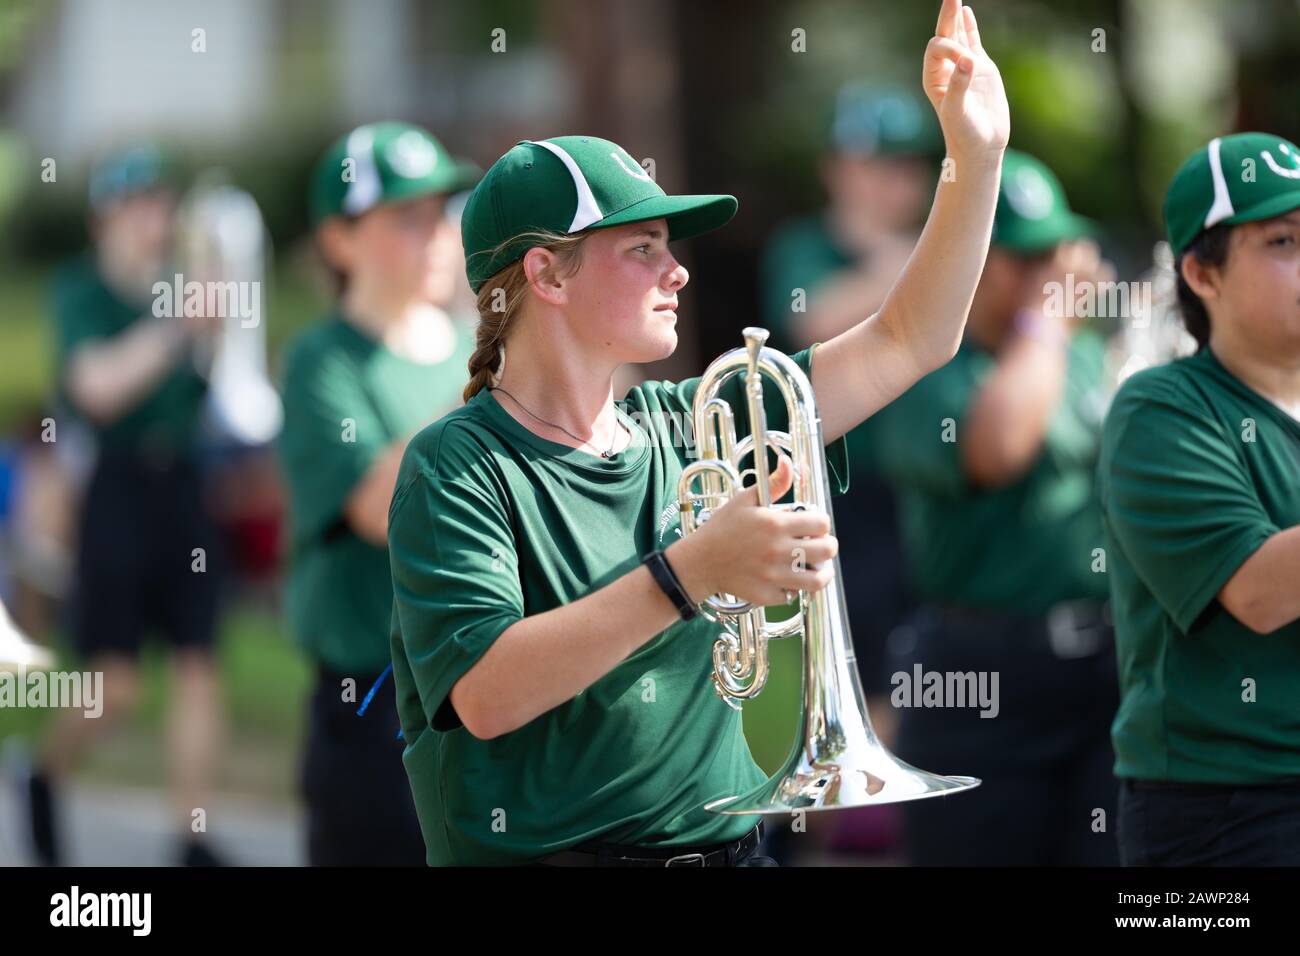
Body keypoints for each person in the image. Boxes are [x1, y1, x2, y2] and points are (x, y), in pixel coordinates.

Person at [387, 0, 1010, 866]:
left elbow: (911, 338)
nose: (677, 268)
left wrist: (975, 162)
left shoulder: (688, 417)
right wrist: (689, 573)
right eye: (641, 246)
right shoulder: (458, 465)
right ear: (545, 274)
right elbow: (488, 693)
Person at [871, 149, 1120, 866]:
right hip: (976, 678)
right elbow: (999, 447)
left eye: (1055, 254)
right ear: (969, 259)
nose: (1049, 275)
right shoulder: (921, 361)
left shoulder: (1074, 346)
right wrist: (1044, 325)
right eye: (1024, 258)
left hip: (1099, 665)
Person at [277, 122, 479, 866]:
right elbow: (376, 508)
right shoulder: (320, 362)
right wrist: (497, 385)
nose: (436, 235)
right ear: (340, 241)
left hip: (483, 680)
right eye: (406, 218)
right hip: (372, 698)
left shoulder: (470, 345)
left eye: (442, 213)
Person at [1099, 131, 1300, 866]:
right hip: (1231, 812)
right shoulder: (1160, 410)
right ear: (1202, 275)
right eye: (1282, 241)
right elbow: (1262, 591)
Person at [29, 144, 228, 866]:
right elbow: (96, 387)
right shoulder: (82, 292)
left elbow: (218, 399)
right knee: (114, 686)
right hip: (114, 490)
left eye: (159, 203)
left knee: (198, 661)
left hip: (183, 487)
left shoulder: (180, 287)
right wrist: (180, 327)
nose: (153, 218)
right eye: (136, 204)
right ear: (102, 220)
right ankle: (44, 773)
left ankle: (191, 835)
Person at [759, 82, 942, 861]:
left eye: (904, 167)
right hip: (829, 504)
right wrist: (920, 254)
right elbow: (812, 316)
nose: (887, 184)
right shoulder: (803, 247)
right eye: (870, 164)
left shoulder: (932, 250)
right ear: (836, 169)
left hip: (920, 501)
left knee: (911, 683)